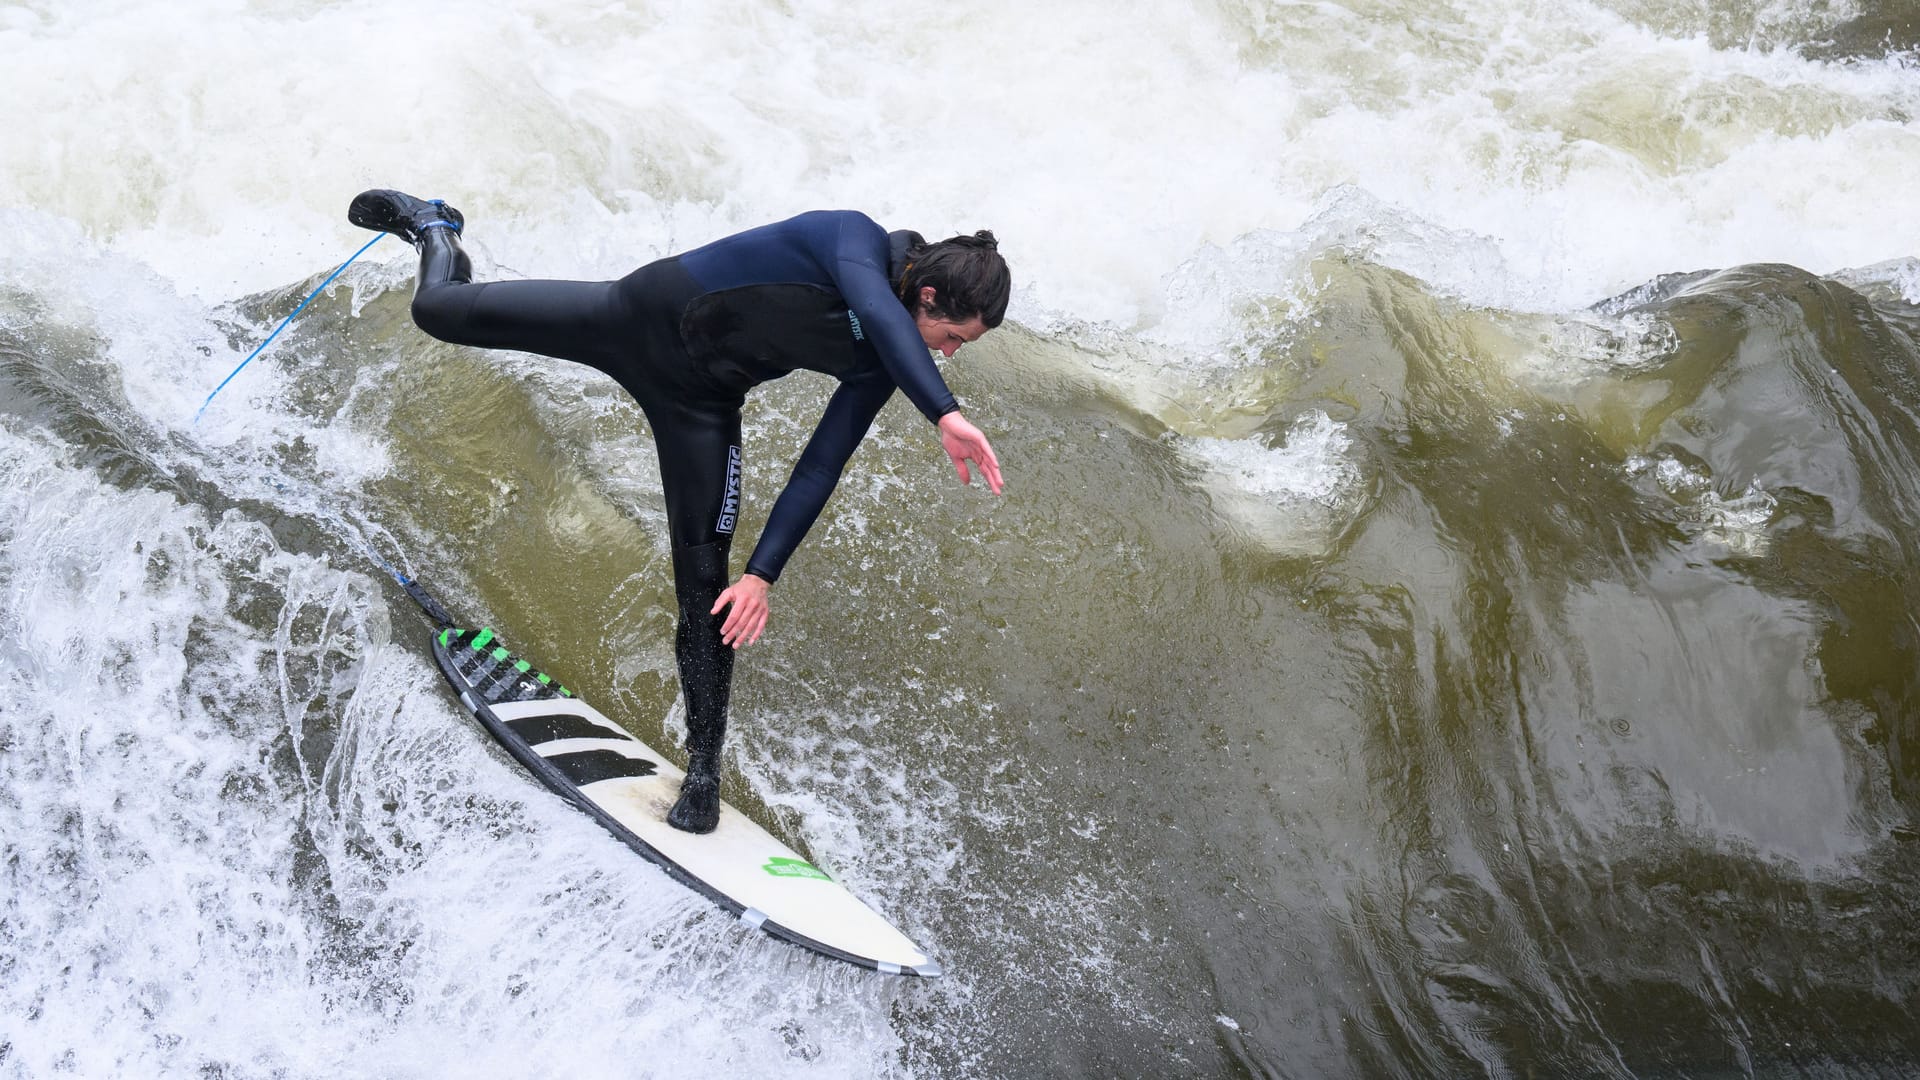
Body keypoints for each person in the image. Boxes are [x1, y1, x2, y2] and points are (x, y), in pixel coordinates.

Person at [347, 189, 1009, 834]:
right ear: (925, 296)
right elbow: (874, 305)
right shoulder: (851, 239)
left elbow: (820, 465)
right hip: (625, 320)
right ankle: (435, 226)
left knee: (706, 589)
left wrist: (763, 575)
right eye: (951, 336)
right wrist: (945, 413)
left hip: (700, 406)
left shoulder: (885, 360)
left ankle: (702, 773)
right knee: (437, 309)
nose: (945, 353)